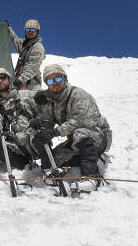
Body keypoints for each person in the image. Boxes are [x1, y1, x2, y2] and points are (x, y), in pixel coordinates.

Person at [29, 64, 112, 192]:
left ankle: (92, 177)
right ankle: (52, 173)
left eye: (58, 79)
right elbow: (47, 121)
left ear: (65, 79)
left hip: (96, 135)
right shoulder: (50, 100)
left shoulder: (79, 95)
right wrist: (40, 124)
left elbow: (80, 121)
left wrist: (55, 132)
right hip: (74, 140)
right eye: (50, 81)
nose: (55, 83)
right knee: (54, 159)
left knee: (81, 133)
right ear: (47, 84)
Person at [0, 67, 36, 173]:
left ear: (9, 80)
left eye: (2, 78)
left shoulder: (27, 95)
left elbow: (44, 111)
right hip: (15, 144)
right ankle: (24, 165)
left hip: (34, 138)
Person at [7, 19, 45, 90]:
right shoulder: (24, 45)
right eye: (28, 30)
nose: (30, 32)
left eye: (32, 30)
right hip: (21, 82)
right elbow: (15, 40)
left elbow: (33, 67)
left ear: (37, 31)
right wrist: (8, 29)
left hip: (32, 84)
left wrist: (20, 80)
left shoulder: (37, 47)